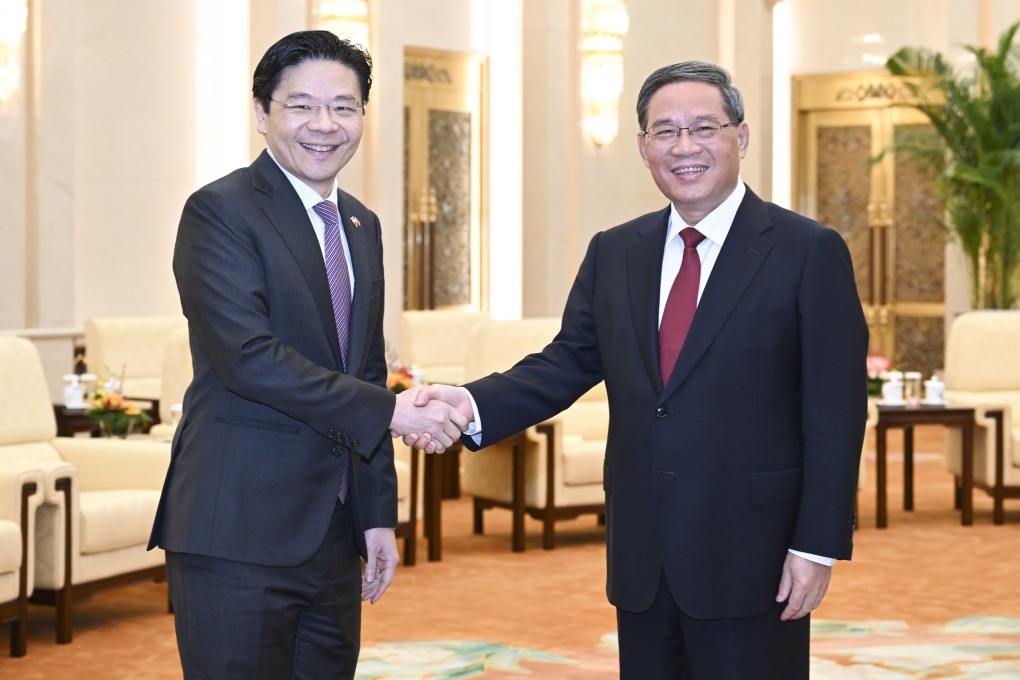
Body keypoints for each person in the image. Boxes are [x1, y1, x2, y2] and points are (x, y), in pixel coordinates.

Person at [412, 61, 868, 679]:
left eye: (705, 127)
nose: (685, 147)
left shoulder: (807, 251)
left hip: (754, 555)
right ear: (642, 147)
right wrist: (470, 403)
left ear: (742, 136)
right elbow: (565, 362)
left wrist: (815, 545)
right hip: (643, 556)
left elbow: (835, 412)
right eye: (665, 131)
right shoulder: (615, 251)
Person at [148, 30, 466, 679]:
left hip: (333, 536)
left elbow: (366, 369)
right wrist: (393, 414)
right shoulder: (220, 211)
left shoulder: (362, 226)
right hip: (237, 532)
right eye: (302, 106)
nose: (325, 125)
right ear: (262, 114)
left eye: (344, 107)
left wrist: (378, 515)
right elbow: (248, 358)